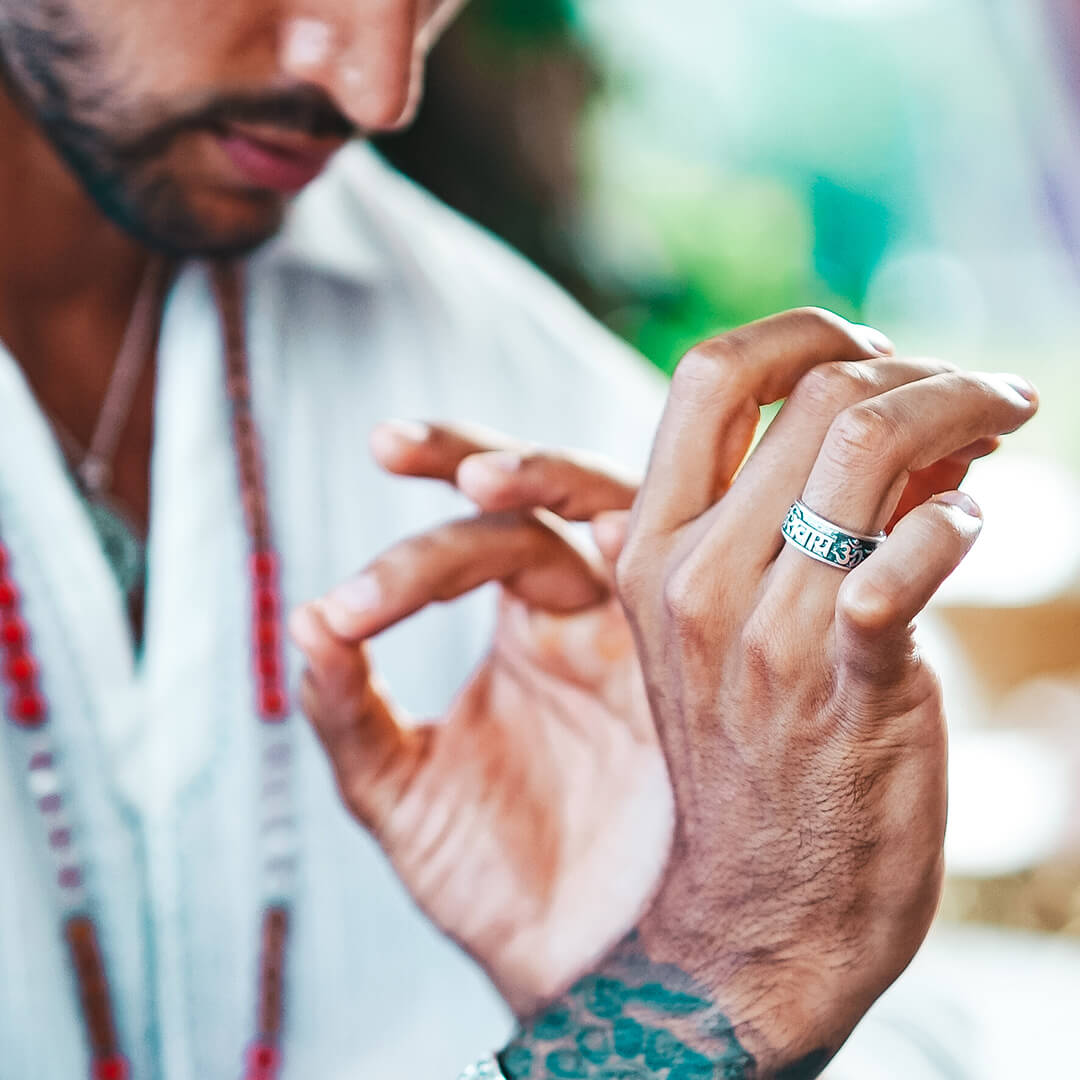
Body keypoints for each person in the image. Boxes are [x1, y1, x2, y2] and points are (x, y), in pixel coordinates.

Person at [0, 1, 1037, 1077]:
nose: (376, 87)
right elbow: (760, 966)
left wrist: (648, 936)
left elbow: (911, 1018)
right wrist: (703, 992)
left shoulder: (511, 369)